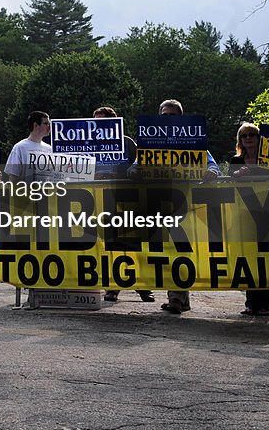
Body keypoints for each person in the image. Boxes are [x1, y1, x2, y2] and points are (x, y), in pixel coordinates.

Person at [134, 99, 220, 314]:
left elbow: (212, 164)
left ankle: (176, 299)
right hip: (157, 202)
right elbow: (135, 165)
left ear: (180, 118)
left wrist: (213, 173)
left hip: (184, 203)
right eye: (163, 115)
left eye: (172, 115)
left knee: (179, 249)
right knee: (164, 250)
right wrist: (134, 171)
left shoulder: (192, 141)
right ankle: (181, 298)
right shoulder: (150, 142)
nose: (167, 119)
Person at [91, 106, 153, 304]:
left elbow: (139, 167)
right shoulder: (90, 143)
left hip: (127, 198)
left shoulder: (127, 143)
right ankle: (112, 287)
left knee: (133, 244)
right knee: (110, 244)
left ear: (113, 121)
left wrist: (124, 174)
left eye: (102, 121)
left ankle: (142, 286)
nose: (98, 126)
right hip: (102, 200)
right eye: (95, 122)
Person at [230, 122, 269, 316]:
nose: (249, 138)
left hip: (268, 214)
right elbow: (228, 179)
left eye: (252, 134)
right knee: (250, 257)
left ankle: (268, 304)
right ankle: (251, 302)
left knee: (267, 257)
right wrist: (237, 174)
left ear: (260, 138)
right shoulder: (236, 160)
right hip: (245, 215)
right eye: (244, 136)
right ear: (240, 140)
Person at [4, 111, 52, 183]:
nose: (49, 127)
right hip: (25, 192)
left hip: (45, 192)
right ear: (35, 125)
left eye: (49, 124)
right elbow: (13, 177)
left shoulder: (49, 149)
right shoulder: (20, 147)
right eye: (46, 124)